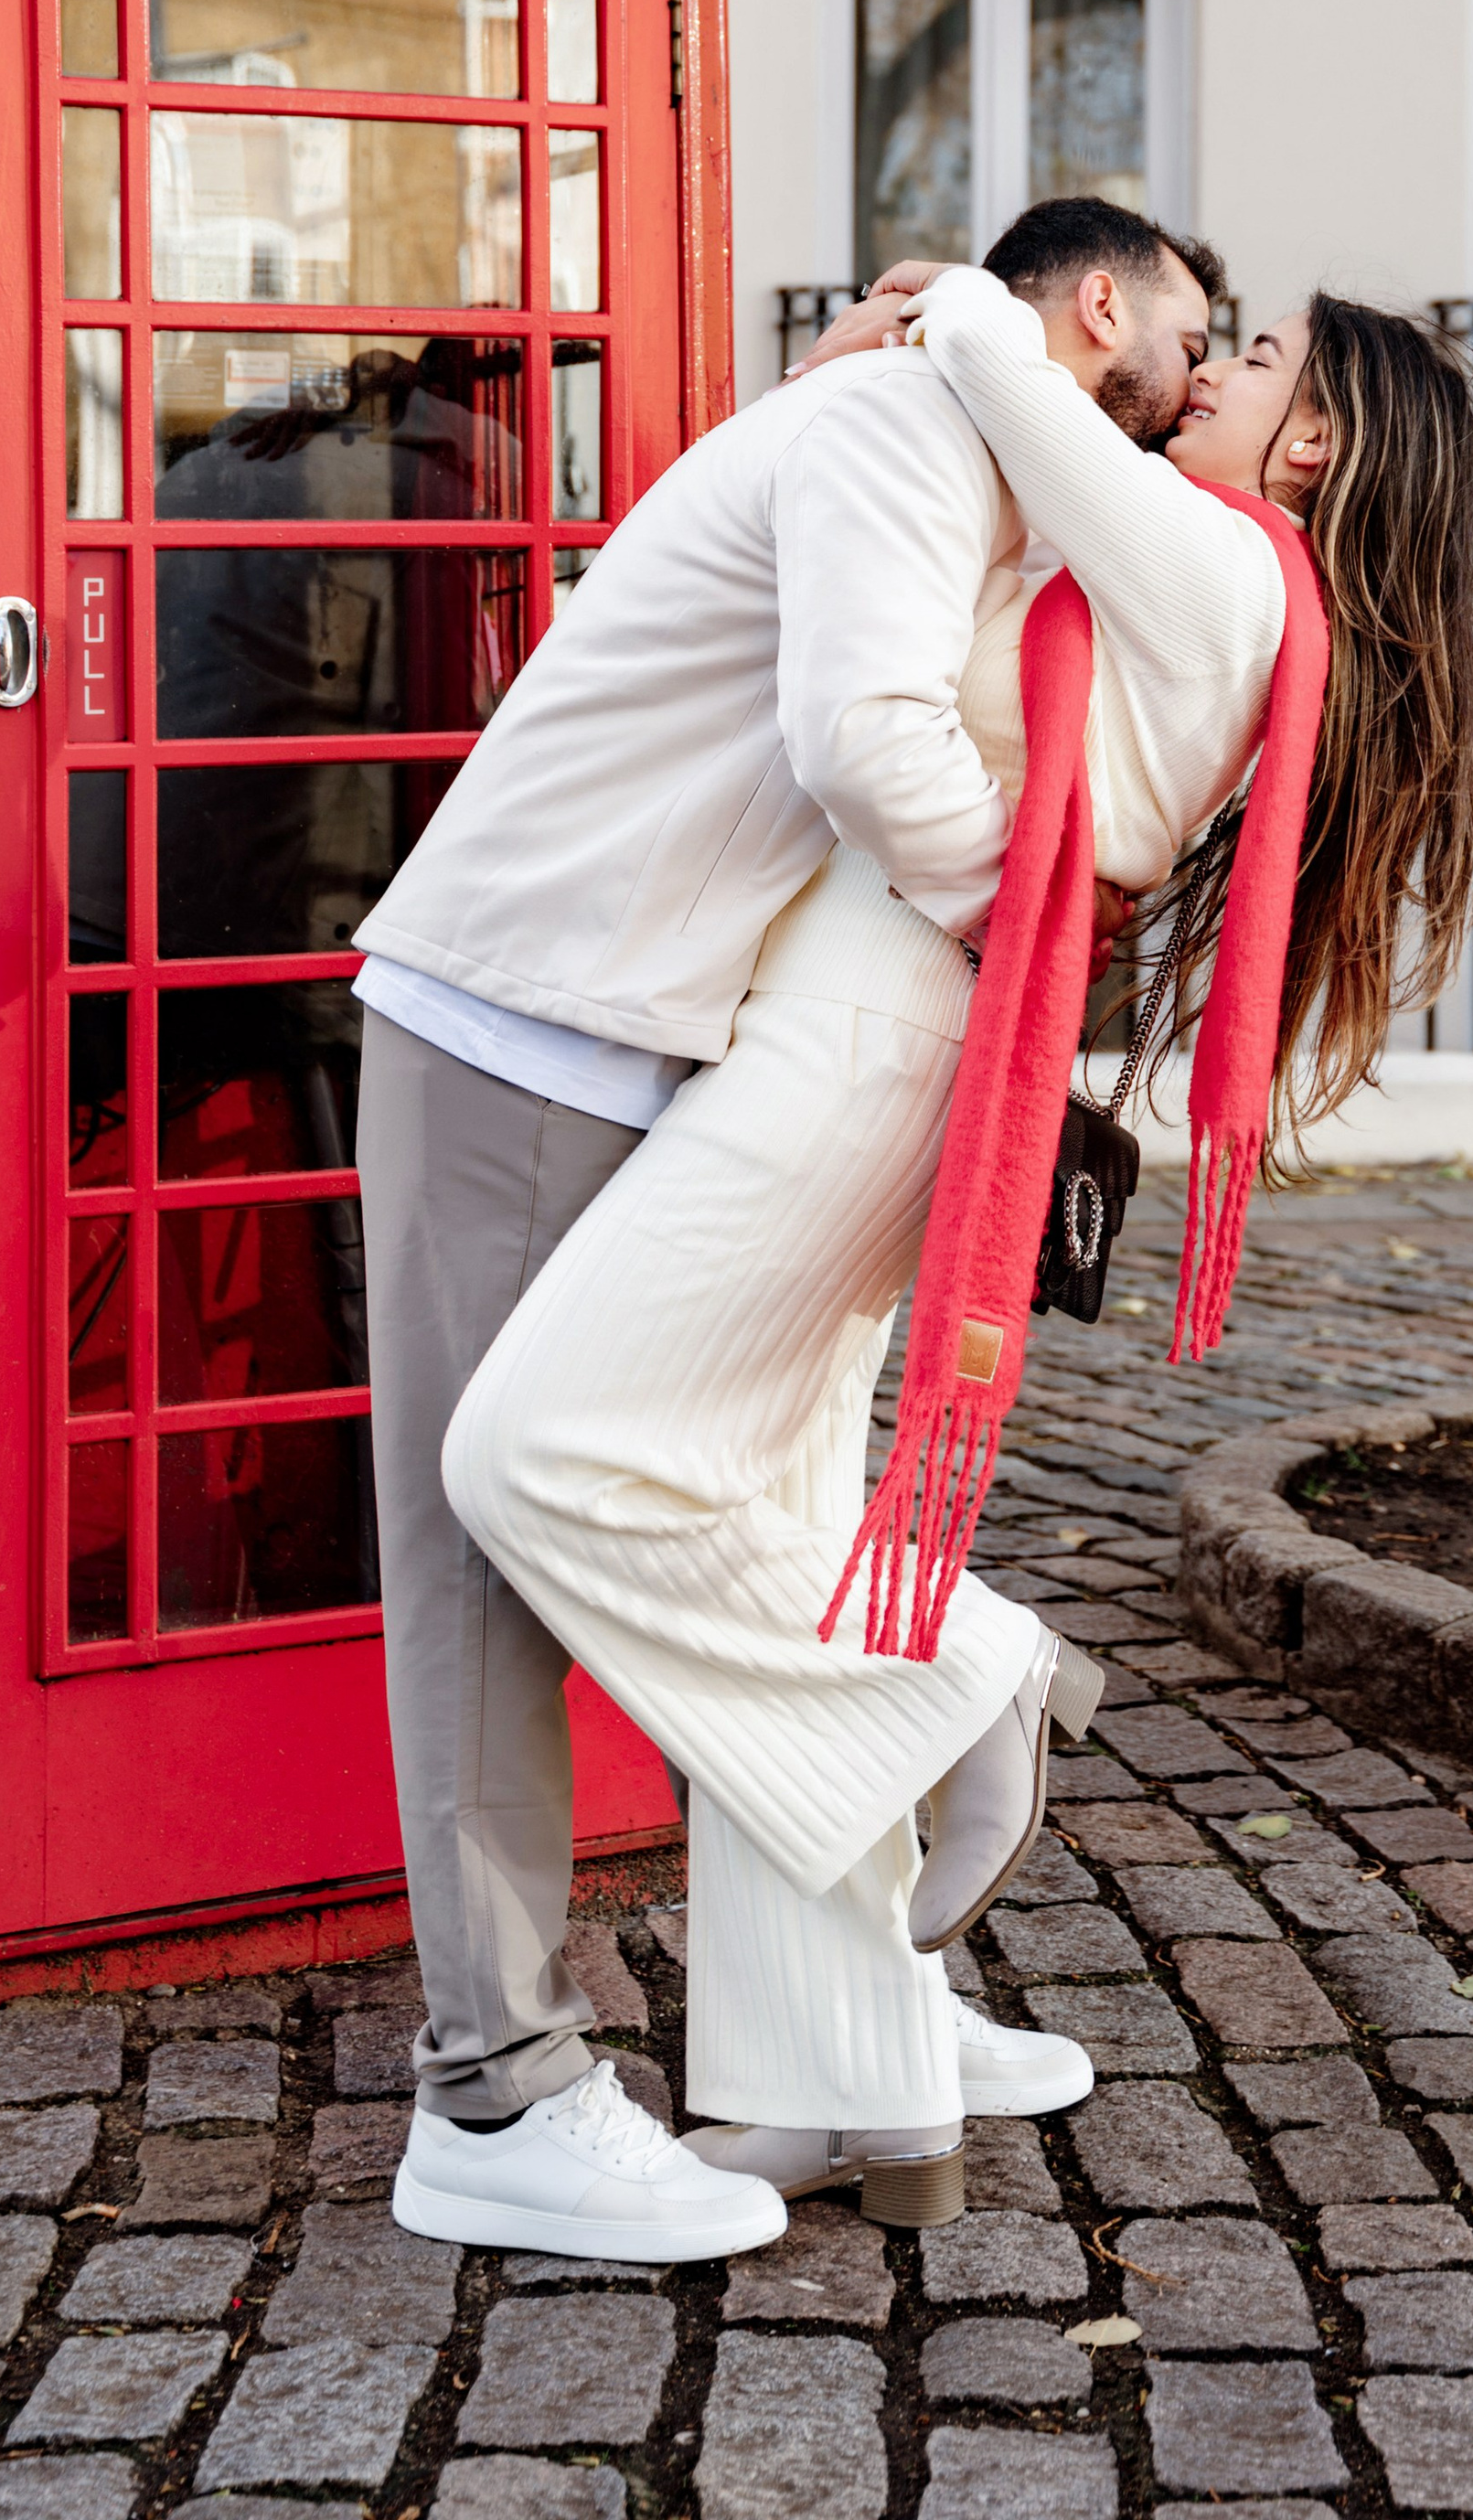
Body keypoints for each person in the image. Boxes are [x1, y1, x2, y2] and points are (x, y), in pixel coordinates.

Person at [438, 243, 1473, 2221]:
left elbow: (1006, 367)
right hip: (897, 1031)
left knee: (527, 1452)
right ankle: (842, 2079)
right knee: (768, 1512)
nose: (1213, 375)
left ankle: (975, 1676)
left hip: (862, 1042)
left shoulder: (1211, 572)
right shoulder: (1218, 593)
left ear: (1322, 440)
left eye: (1253, 354)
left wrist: (958, 305)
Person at [350, 199, 1222, 2259]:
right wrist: (1032, 940)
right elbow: (862, 742)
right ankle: (494, 2086)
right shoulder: (905, 431)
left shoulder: (948, 442)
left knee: (700, 1472)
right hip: (532, 1014)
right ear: (1093, 304)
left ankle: (862, 1999)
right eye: (1198, 330)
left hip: (638, 1018)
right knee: (489, 1544)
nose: (1206, 371)